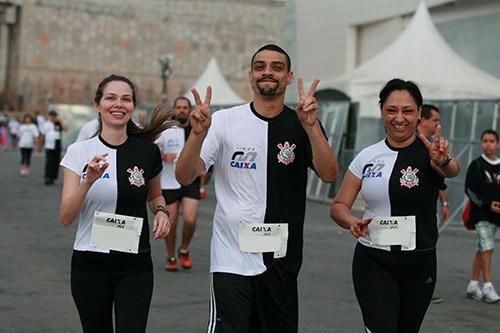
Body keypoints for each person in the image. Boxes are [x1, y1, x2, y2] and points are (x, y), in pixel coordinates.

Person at [176, 44, 338, 333]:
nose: (268, 72)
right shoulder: (224, 121)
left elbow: (328, 174)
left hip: (281, 258)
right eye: (260, 66)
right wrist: (197, 137)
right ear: (250, 75)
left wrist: (312, 127)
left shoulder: (303, 123)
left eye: (277, 67)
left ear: (289, 77)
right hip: (231, 257)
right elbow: (185, 176)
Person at [330, 78, 460, 333]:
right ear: (381, 112)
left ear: (419, 113)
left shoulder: (431, 153)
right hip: (373, 259)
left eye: (407, 111)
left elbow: (452, 170)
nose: (399, 118)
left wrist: (443, 160)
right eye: (391, 110)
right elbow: (338, 206)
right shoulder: (366, 156)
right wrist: (351, 221)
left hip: (420, 262)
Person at [59, 74, 173, 333]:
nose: (118, 104)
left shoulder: (147, 152)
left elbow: (155, 196)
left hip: (135, 265)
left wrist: (162, 212)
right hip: (90, 264)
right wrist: (88, 181)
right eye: (110, 98)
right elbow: (66, 216)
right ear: (97, 104)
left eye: (126, 99)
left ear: (134, 106)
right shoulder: (79, 152)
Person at [156, 96, 201, 271]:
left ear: (189, 110)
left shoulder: (196, 129)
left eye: (185, 107)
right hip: (169, 181)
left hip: (191, 180)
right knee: (172, 222)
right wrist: (162, 156)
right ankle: (171, 256)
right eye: (179, 107)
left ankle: (184, 249)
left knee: (190, 220)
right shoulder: (166, 129)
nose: (182, 110)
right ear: (174, 110)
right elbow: (150, 147)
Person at [416, 103, 449, 304]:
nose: (438, 125)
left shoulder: (433, 146)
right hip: (414, 209)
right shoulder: (415, 145)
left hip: (430, 206)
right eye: (435, 120)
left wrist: (444, 205)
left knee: (428, 243)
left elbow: (441, 178)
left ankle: (423, 287)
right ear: (423, 119)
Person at [464, 129, 500, 303]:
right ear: (481, 143)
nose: (488, 144)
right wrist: (487, 204)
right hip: (480, 214)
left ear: (497, 144)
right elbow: (469, 190)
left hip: (496, 216)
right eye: (485, 140)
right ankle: (487, 286)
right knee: (487, 246)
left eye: (492, 141)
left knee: (483, 246)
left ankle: (472, 284)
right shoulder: (476, 165)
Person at [40, 110, 68, 185]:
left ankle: (53, 178)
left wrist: (60, 121)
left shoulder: (58, 124)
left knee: (56, 162)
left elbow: (66, 130)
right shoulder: (46, 124)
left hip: (57, 145)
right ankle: (47, 177)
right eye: (52, 116)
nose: (53, 118)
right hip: (49, 145)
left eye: (54, 116)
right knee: (49, 162)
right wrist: (40, 145)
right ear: (49, 116)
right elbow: (43, 135)